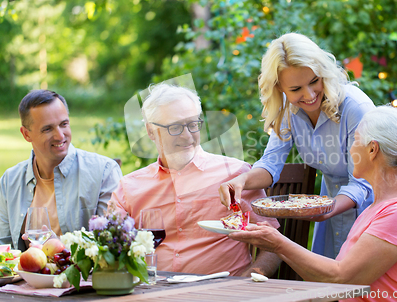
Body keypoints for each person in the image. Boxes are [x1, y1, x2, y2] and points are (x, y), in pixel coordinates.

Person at [228, 106, 397, 301]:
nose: (349, 148)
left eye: (354, 140)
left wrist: (278, 243)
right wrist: (275, 245)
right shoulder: (379, 207)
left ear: (372, 150)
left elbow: (342, 279)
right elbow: (331, 280)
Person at [219, 33, 375, 258]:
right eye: (296, 89)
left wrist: (325, 209)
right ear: (279, 88)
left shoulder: (355, 107)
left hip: (373, 212)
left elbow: (363, 184)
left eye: (314, 82)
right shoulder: (286, 109)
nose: (309, 95)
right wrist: (241, 181)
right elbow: (271, 165)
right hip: (331, 210)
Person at [110, 83, 281, 277]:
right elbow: (112, 249)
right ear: (151, 131)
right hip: (152, 292)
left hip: (222, 293)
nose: (187, 136)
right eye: (175, 127)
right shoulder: (130, 187)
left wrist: (246, 280)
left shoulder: (236, 176)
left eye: (192, 125)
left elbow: (274, 246)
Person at [0, 90, 122, 250]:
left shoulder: (104, 172)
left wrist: (61, 247)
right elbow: (3, 251)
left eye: (64, 124)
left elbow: (112, 245)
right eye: (47, 129)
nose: (60, 135)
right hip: (25, 275)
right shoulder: (9, 183)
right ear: (26, 134)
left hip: (86, 276)